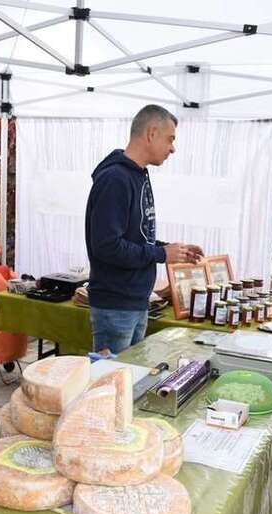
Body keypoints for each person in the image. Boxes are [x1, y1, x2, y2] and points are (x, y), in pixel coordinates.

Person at [85, 104, 203, 353]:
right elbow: (107, 246)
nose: (173, 148)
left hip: (134, 302)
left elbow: (135, 236)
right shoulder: (115, 179)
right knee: (113, 383)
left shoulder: (137, 175)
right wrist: (161, 254)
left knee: (130, 380)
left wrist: (173, 251)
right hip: (116, 305)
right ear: (151, 133)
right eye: (170, 139)